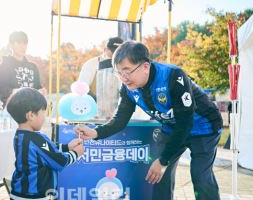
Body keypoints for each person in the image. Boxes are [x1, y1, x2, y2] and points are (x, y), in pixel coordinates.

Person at [74, 41, 223, 200]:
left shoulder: (173, 76)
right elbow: (120, 120)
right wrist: (95, 132)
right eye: (119, 73)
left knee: (200, 176)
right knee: (157, 176)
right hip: (173, 127)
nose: (123, 78)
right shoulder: (128, 88)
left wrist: (163, 160)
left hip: (204, 127)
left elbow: (184, 124)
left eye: (127, 71)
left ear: (145, 66)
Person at [6, 87, 84, 200]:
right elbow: (60, 161)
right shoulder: (37, 139)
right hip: (36, 196)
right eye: (43, 112)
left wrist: (67, 147)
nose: (45, 117)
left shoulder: (19, 135)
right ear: (31, 115)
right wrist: (76, 153)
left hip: (19, 193)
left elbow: (44, 152)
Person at [0, 31, 46, 106]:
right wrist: (17, 92)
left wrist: (41, 92)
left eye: (25, 43)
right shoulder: (4, 67)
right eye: (19, 43)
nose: (23, 46)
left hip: (31, 110)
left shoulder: (33, 67)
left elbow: (37, 87)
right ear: (11, 45)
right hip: (12, 110)